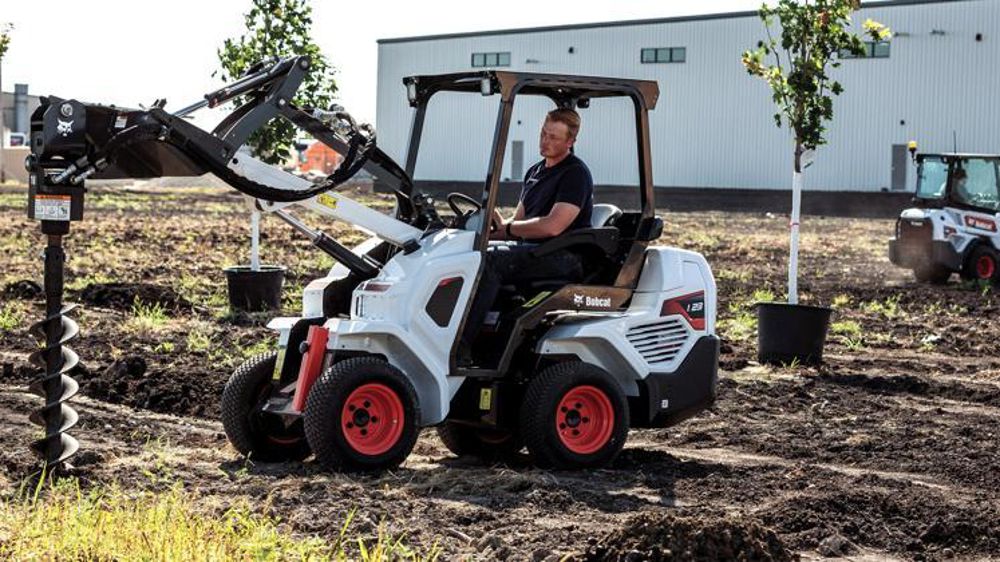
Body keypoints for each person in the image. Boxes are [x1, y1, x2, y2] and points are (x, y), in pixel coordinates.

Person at [459, 108, 594, 364]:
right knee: (471, 253)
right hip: (534, 250)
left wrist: (508, 230)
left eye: (554, 137)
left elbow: (553, 226)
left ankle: (461, 346)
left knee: (491, 263)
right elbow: (519, 221)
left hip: (564, 255)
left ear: (570, 142)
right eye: (543, 133)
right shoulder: (535, 171)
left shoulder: (575, 174)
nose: (545, 141)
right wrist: (490, 230)